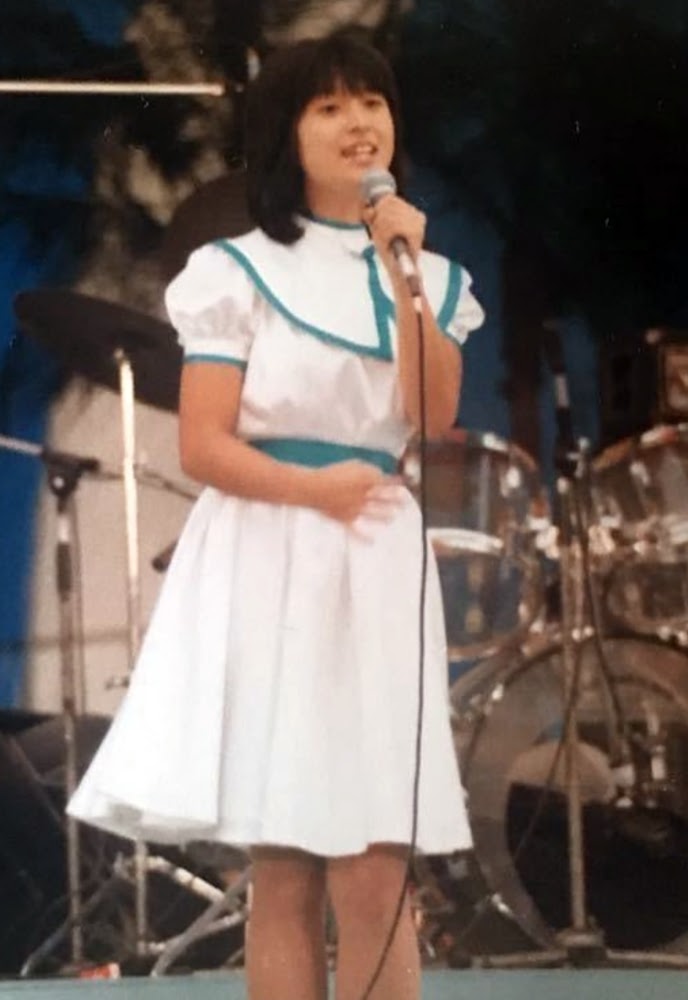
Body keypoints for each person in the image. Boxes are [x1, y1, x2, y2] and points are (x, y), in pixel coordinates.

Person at [68, 31, 484, 1000]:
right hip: (270, 548)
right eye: (328, 106)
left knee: (377, 865)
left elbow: (432, 414)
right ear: (287, 135)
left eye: (370, 102)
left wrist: (403, 271)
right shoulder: (237, 270)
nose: (357, 122)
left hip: (375, 554)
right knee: (288, 862)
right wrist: (315, 489)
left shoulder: (426, 270)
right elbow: (203, 444)